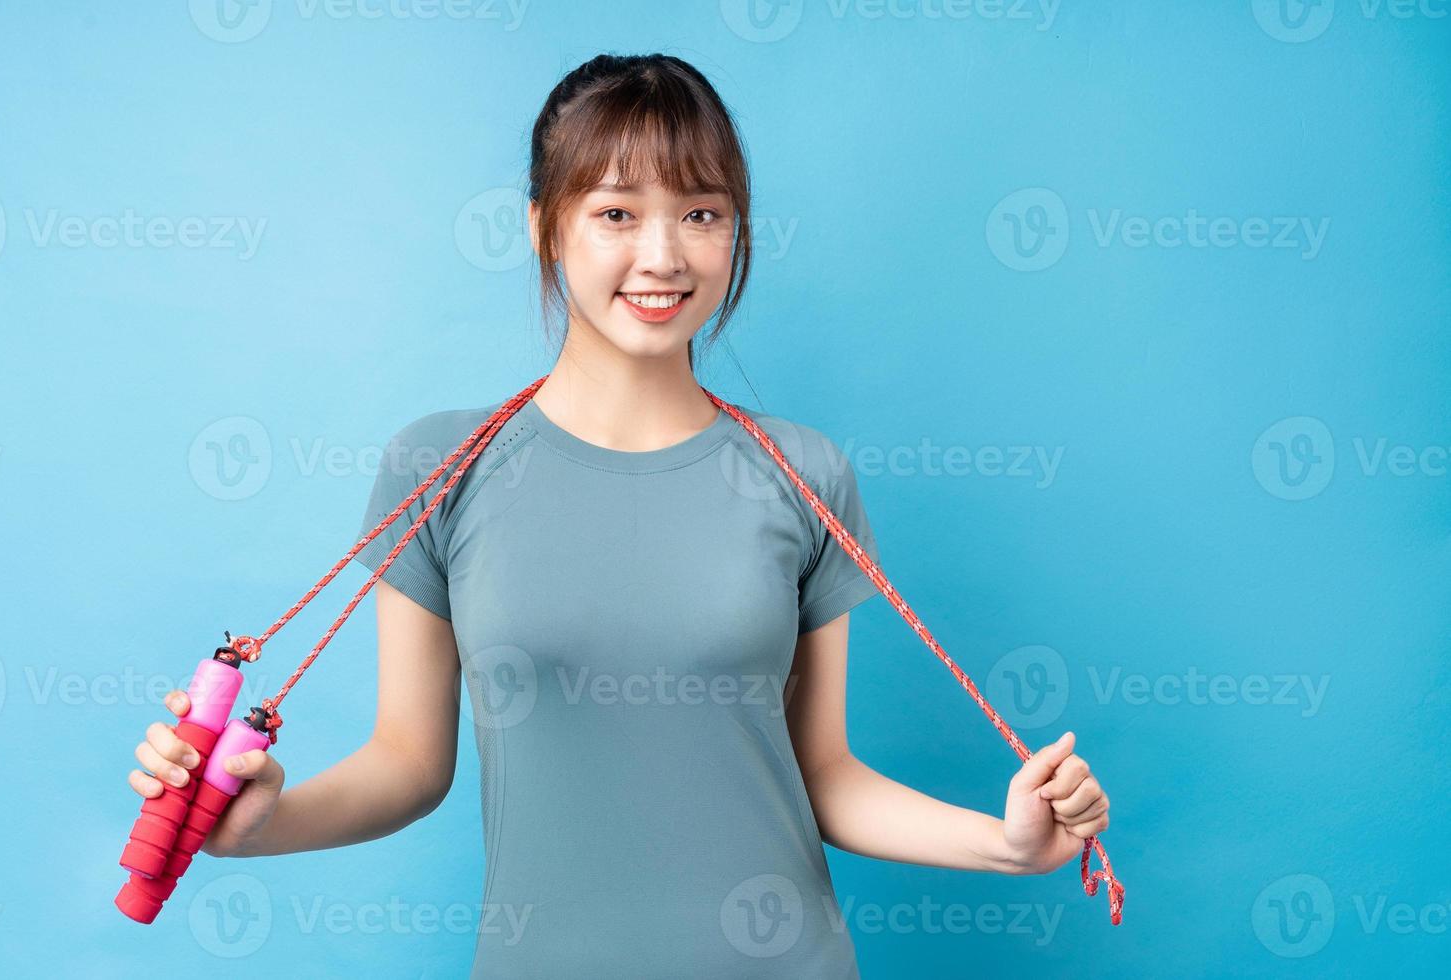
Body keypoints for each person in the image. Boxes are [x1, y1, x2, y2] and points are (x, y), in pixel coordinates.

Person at [126, 52, 1111, 977]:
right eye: (615, 212)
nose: (662, 255)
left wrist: (1008, 843)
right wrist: (262, 819)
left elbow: (824, 772)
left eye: (701, 213)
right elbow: (407, 762)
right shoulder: (437, 467)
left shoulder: (806, 474)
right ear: (543, 226)